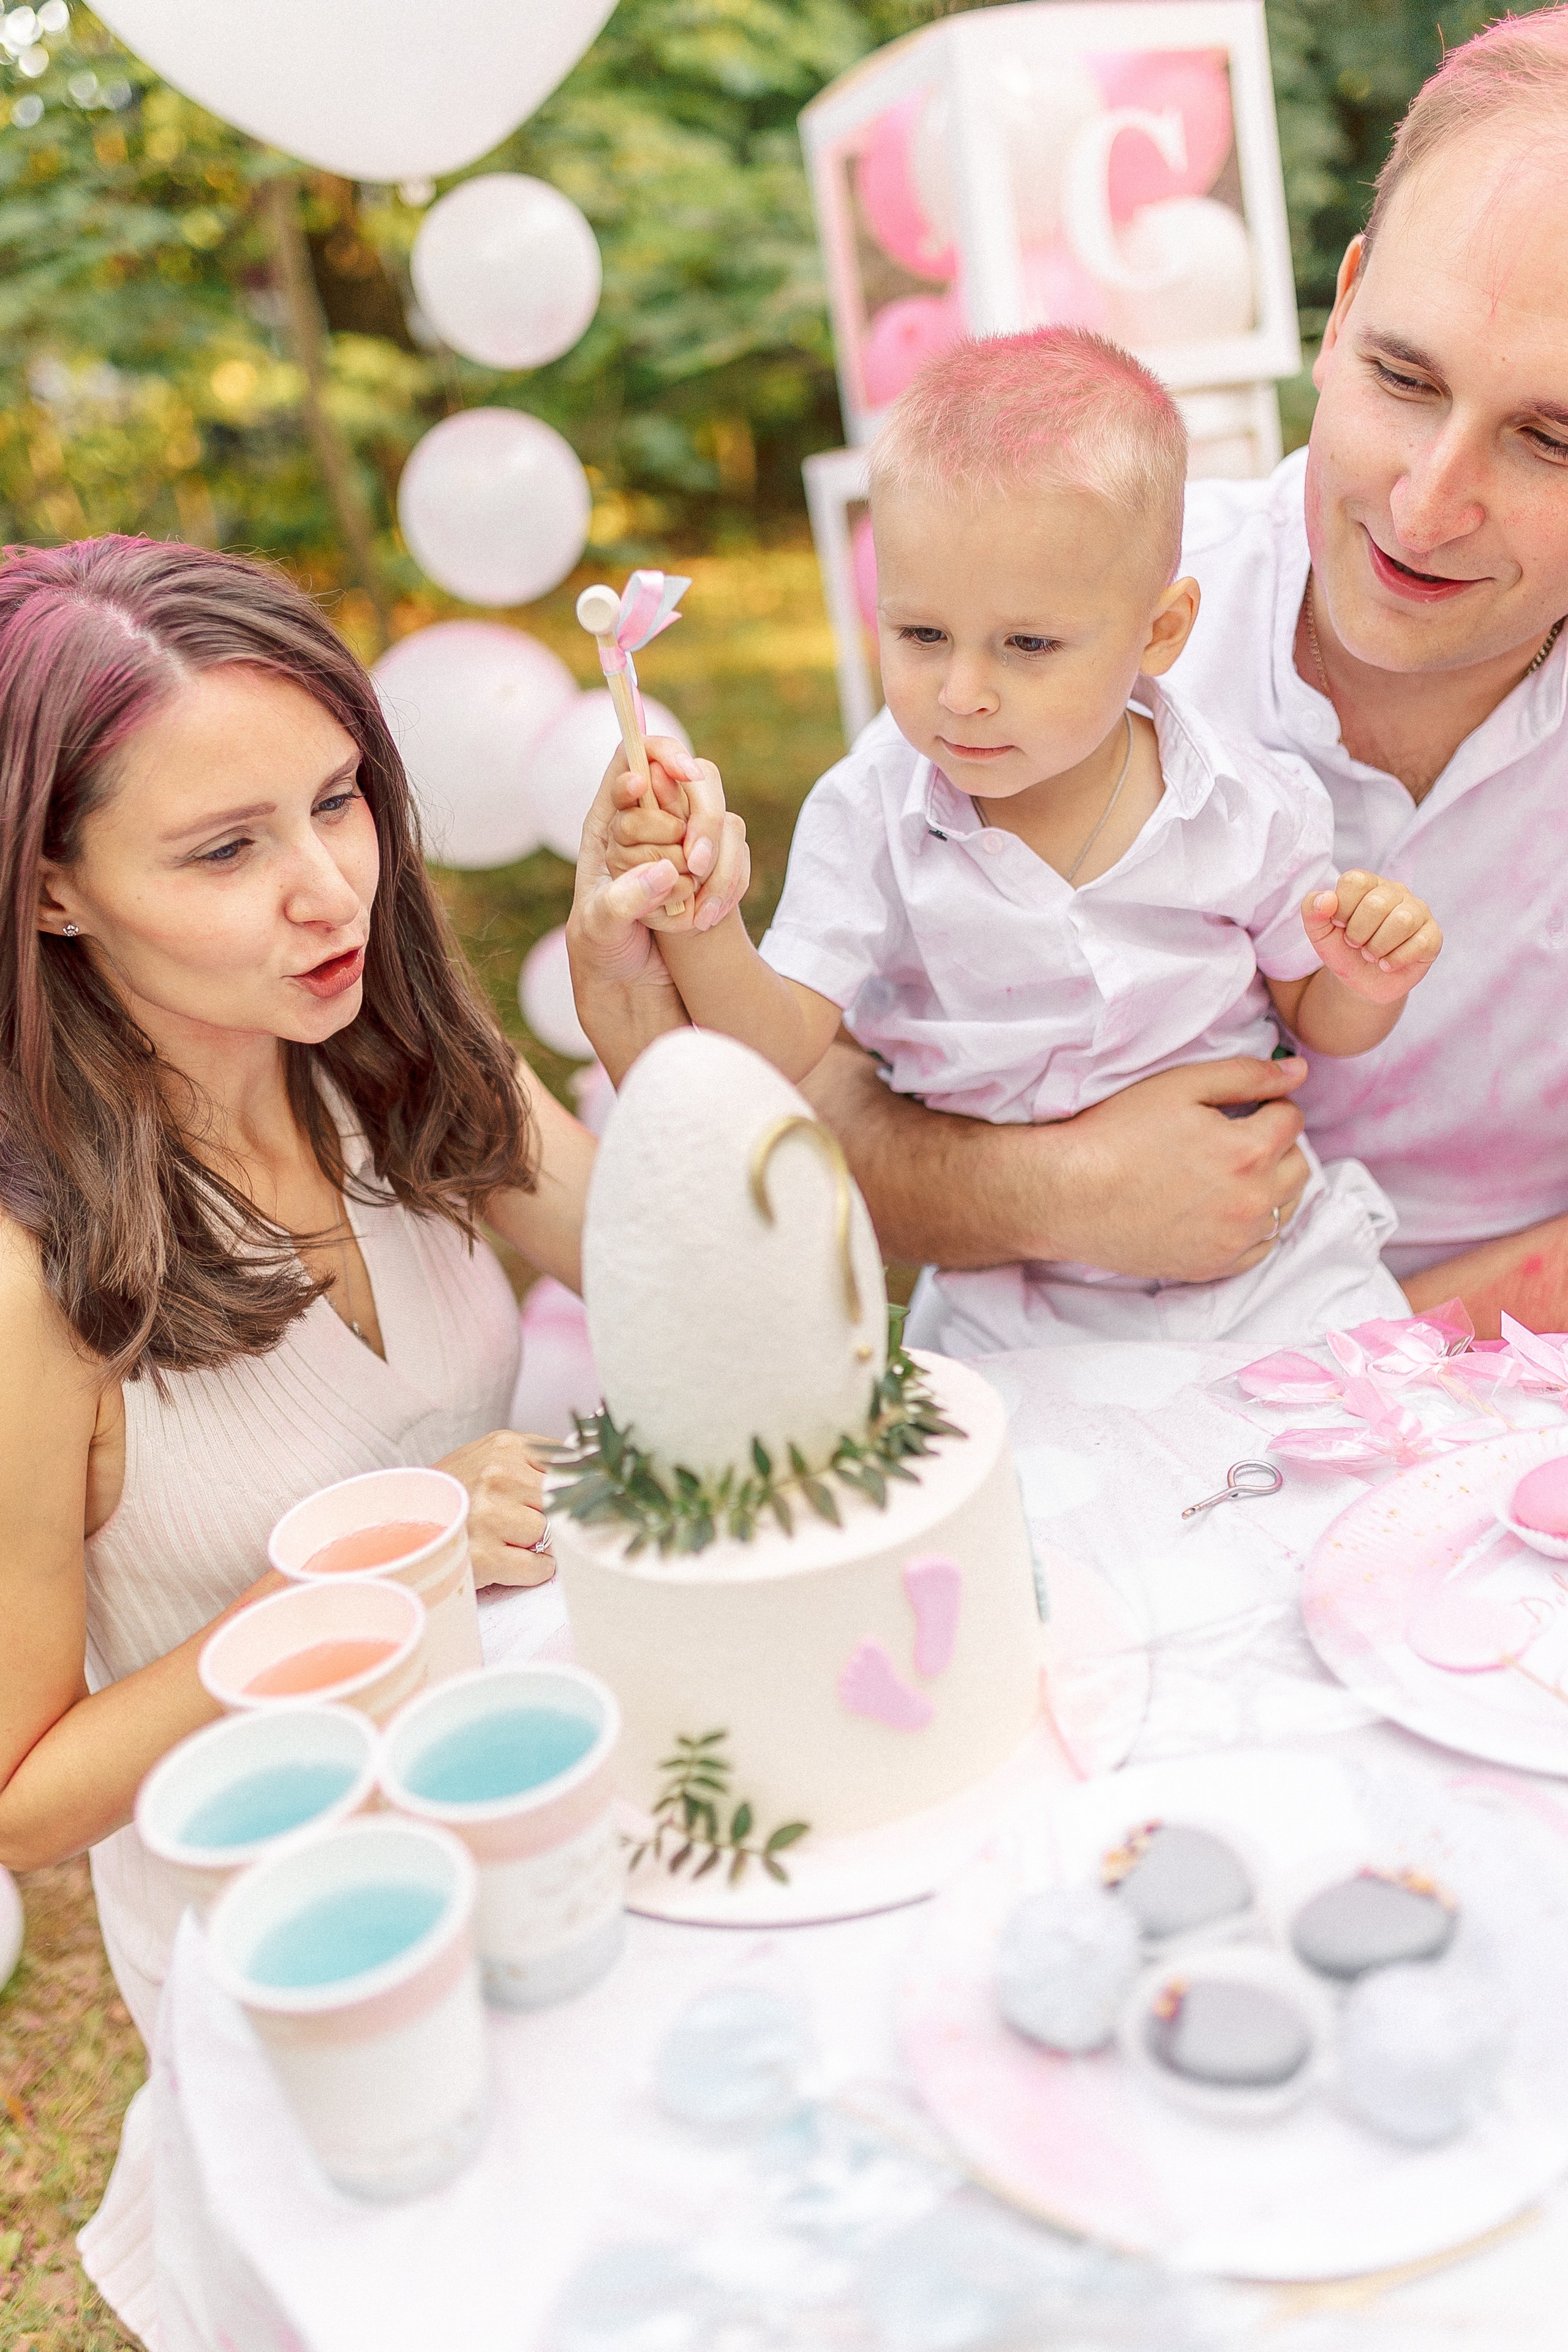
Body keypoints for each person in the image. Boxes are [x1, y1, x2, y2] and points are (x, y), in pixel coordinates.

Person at [0, 536, 741, 2048]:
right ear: (55, 890)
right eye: (226, 852)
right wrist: (367, 1579)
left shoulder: (391, 1058)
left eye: (336, 801)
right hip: (314, 1957)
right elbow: (24, 1798)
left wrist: (635, 995)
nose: (330, 890)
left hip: (537, 1807)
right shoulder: (30, 1278)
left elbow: (710, 1296)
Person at [782, 10, 1568, 1340]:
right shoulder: (1066, 612)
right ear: (1341, 308)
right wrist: (1050, 1191)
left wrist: (1350, 1364)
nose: (1426, 507)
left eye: (1549, 440)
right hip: (1071, 1385)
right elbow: (800, 1106)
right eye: (1401, 376)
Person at [600, 331, 1441, 1352]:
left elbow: (1323, 1019)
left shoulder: (1243, 805)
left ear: (1160, 632)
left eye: (1028, 644)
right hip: (1013, 1303)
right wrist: (703, 921)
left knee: (1374, 1416)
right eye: (921, 635)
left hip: (1265, 1268)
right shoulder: (871, 815)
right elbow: (775, 1047)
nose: (963, 692)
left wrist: (1367, 977)